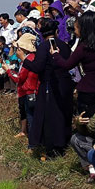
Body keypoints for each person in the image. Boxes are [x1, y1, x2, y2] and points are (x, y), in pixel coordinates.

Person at [52, 11, 95, 117]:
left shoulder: (84, 47)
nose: (74, 32)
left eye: (76, 28)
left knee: (89, 123)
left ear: (84, 29)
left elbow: (67, 65)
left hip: (90, 91)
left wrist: (56, 54)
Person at [22, 19, 74, 158]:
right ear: (56, 31)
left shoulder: (44, 47)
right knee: (64, 116)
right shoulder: (64, 46)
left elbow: (37, 67)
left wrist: (24, 59)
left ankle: (52, 150)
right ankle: (63, 146)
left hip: (50, 85)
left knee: (50, 118)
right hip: (66, 84)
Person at [3, 33, 39, 139]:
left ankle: (33, 143)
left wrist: (8, 71)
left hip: (29, 91)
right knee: (27, 115)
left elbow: (19, 78)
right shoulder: (29, 58)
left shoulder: (28, 60)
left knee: (31, 118)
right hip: (27, 91)